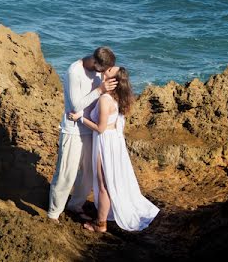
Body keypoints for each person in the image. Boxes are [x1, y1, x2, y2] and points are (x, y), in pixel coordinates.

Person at [69, 67, 159, 232]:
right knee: (109, 180)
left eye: (110, 69)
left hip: (105, 142)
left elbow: (100, 128)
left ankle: (100, 224)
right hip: (115, 142)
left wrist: (80, 118)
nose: (107, 68)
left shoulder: (105, 99)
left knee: (103, 183)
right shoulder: (119, 97)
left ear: (114, 80)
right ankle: (106, 214)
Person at [47, 47, 117, 222]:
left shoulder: (99, 72)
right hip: (73, 130)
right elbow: (76, 106)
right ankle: (53, 213)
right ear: (94, 62)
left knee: (88, 172)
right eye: (103, 70)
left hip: (91, 129)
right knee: (66, 173)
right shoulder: (74, 72)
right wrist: (99, 90)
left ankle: (75, 205)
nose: (104, 74)